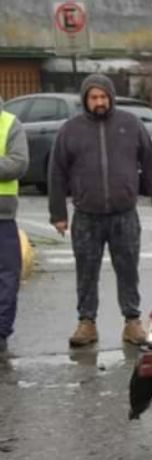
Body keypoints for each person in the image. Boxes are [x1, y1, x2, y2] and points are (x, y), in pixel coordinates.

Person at [49, 74, 152, 347]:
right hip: (86, 216)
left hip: (124, 214)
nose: (99, 102)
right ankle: (86, 323)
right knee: (86, 271)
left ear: (111, 98)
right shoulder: (71, 129)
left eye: (104, 97)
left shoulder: (130, 124)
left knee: (128, 269)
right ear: (85, 100)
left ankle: (132, 322)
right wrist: (58, 214)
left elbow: (150, 162)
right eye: (94, 98)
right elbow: (56, 173)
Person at [0, 95, 30, 355]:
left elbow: (18, 163)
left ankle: (1, 334)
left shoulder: (9, 123)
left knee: (7, 277)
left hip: (3, 215)